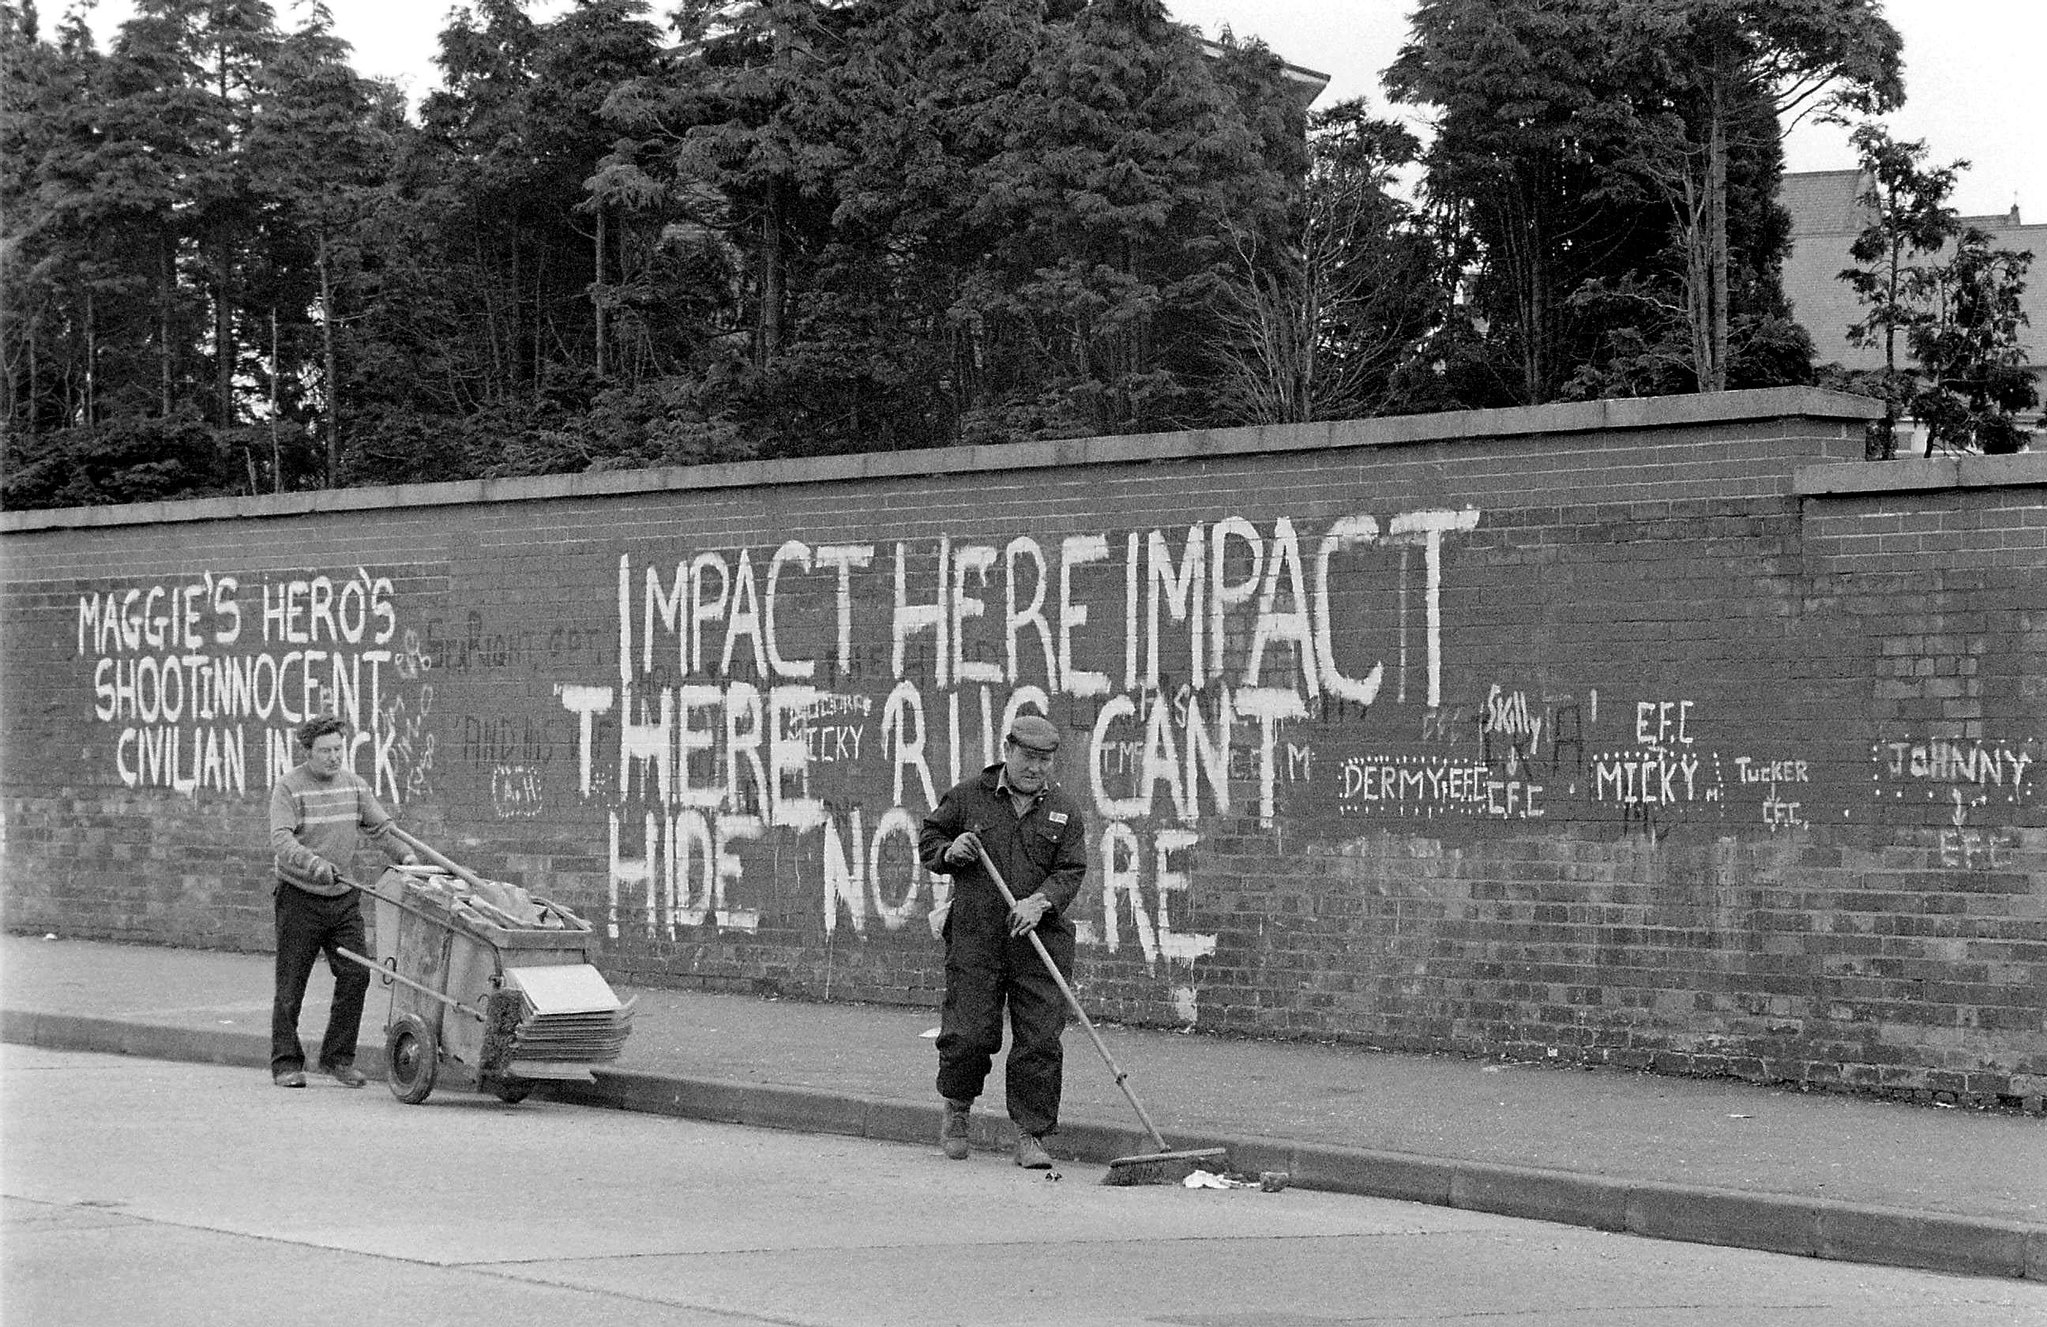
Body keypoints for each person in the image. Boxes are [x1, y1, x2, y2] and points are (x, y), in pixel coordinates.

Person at [918, 714, 1087, 1168]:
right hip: (976, 935)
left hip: (1037, 941)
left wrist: (1041, 902)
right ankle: (956, 1110)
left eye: (1045, 760)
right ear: (1008, 750)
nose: (1036, 768)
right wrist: (949, 853)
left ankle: (1031, 1134)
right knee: (968, 1034)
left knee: (1039, 1041)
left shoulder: (1065, 811)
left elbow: (1071, 870)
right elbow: (930, 835)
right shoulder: (969, 797)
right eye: (1028, 757)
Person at [267, 714, 415, 1088]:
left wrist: (407, 857)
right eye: (325, 751)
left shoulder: (354, 786)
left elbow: (381, 828)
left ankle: (337, 1057)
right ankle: (286, 1063)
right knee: (291, 983)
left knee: (356, 974)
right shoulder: (289, 788)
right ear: (308, 752)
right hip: (299, 896)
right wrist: (313, 863)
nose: (334, 757)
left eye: (338, 749)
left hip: (342, 897)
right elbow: (282, 841)